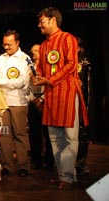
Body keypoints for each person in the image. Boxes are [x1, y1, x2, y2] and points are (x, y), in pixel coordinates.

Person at [32, 7, 89, 190]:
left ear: (53, 20)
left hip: (67, 93)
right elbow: (41, 67)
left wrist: (50, 79)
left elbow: (72, 64)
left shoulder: (68, 39)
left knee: (70, 137)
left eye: (42, 21)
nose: (39, 25)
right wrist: (38, 77)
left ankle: (69, 177)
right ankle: (63, 174)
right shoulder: (45, 44)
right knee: (54, 137)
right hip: (51, 95)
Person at [0, 30, 31, 177]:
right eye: (4, 44)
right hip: (2, 101)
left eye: (9, 44)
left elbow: (22, 82)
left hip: (18, 101)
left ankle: (23, 166)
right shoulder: (1, 58)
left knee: (20, 134)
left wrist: (0, 82)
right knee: (4, 134)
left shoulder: (25, 59)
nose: (6, 47)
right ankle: (6, 166)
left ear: (17, 43)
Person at [28, 44, 54, 170]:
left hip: (46, 101)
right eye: (32, 51)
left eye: (36, 51)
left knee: (48, 133)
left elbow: (49, 83)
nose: (34, 53)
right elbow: (27, 85)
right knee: (34, 132)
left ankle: (49, 161)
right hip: (33, 102)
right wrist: (33, 99)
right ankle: (36, 159)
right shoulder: (29, 66)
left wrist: (42, 99)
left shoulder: (47, 66)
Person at [75, 36, 91, 176]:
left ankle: (81, 163)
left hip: (82, 103)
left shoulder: (84, 64)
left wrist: (86, 106)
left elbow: (88, 88)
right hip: (68, 102)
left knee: (82, 134)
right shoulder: (65, 62)